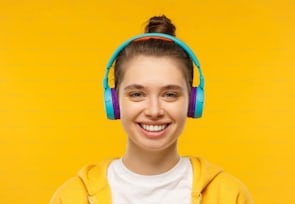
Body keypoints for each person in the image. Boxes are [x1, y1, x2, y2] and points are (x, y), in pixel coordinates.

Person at [49, 15, 254, 204]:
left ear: (193, 102)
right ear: (114, 101)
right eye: (137, 94)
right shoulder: (72, 197)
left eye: (170, 94)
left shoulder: (228, 195)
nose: (154, 111)